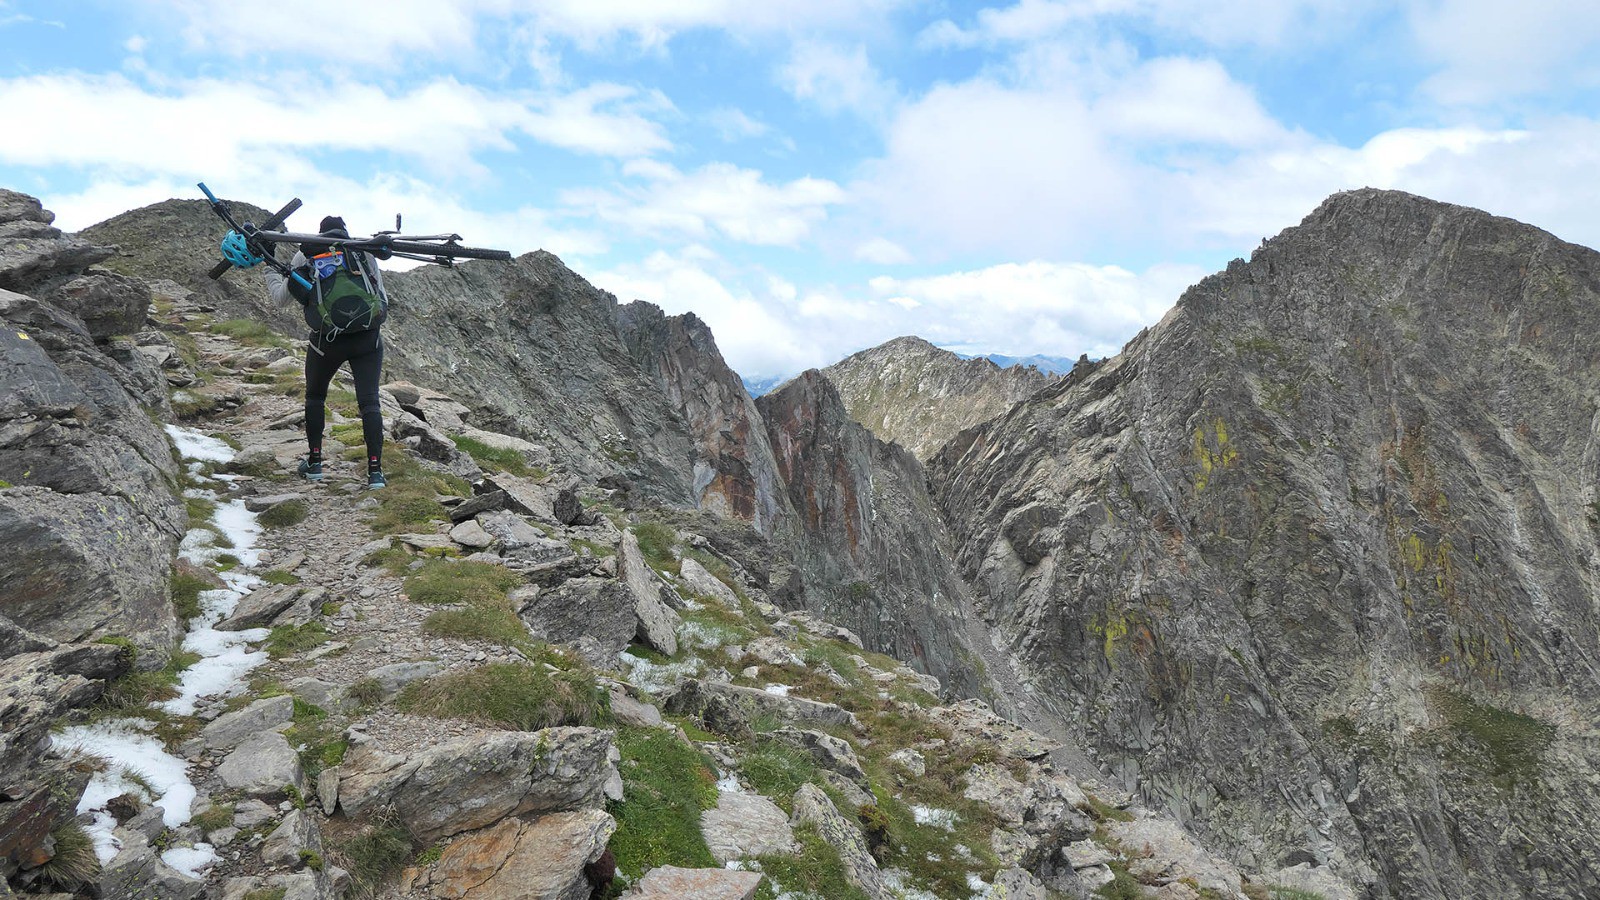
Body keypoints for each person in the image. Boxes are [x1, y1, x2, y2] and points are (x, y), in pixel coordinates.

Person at [264, 215, 391, 489]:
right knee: (370, 402)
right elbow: (382, 298)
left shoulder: (305, 255)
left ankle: (315, 463)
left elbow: (281, 299)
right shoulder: (361, 251)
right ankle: (375, 472)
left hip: (326, 341)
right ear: (345, 231)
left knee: (315, 396)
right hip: (367, 340)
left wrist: (269, 268)